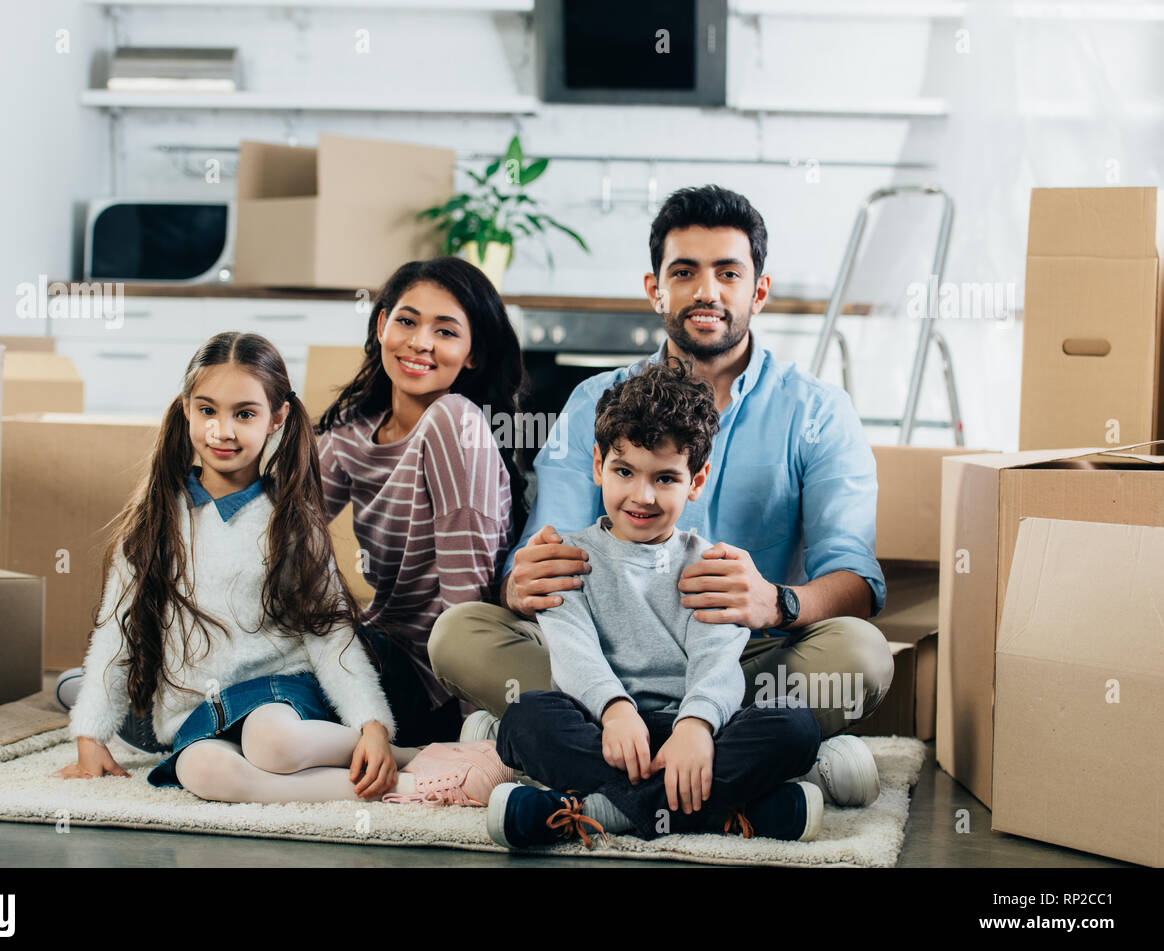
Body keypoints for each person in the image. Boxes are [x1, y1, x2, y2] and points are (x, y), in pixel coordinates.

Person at [432, 185, 891, 807]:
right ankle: (745, 773)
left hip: (743, 660)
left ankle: (586, 767)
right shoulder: (594, 402)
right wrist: (521, 581)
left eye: (728, 272)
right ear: (655, 288)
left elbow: (855, 579)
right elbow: (540, 561)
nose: (707, 291)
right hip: (597, 661)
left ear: (758, 291)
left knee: (862, 655)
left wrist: (774, 601)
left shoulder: (817, 411)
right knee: (458, 634)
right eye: (685, 272)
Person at [56, 331, 512, 808]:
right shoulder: (154, 522)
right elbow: (115, 631)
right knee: (201, 770)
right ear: (186, 408)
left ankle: (404, 753)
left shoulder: (291, 523)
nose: (223, 430)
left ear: (277, 417)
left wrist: (372, 726)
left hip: (280, 692)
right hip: (195, 710)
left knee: (274, 744)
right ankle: (419, 783)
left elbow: (331, 634)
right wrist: (91, 735)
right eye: (207, 410)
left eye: (245, 414)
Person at [488, 361, 826, 849]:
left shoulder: (710, 565)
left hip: (694, 732)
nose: (642, 496)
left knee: (795, 728)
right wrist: (615, 710)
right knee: (526, 719)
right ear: (598, 465)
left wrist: (695, 726)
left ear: (696, 480)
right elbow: (573, 651)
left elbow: (716, 663)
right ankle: (735, 810)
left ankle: (597, 810)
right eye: (624, 471)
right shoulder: (568, 557)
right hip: (600, 726)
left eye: (665, 478)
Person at [316, 257, 530, 746]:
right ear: (382, 325)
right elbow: (278, 532)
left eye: (446, 331)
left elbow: (467, 602)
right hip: (378, 653)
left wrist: (475, 731)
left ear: (473, 354)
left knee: (272, 687)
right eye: (407, 321)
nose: (420, 342)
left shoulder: (459, 422)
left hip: (442, 682)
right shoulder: (352, 433)